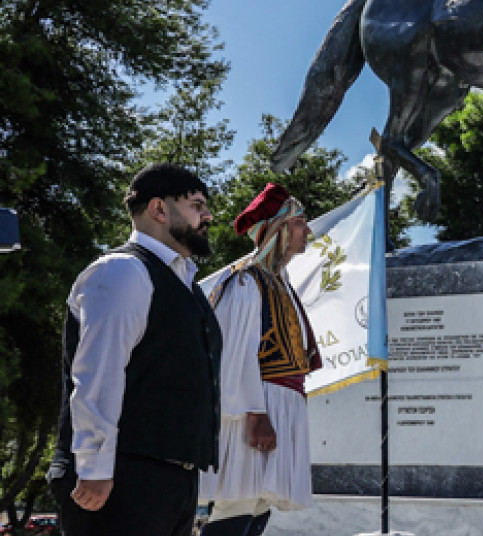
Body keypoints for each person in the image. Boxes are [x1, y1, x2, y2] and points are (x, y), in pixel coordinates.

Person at [47, 163, 222, 536]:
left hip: (168, 482)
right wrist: (94, 468)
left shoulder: (186, 284)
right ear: (159, 209)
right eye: (196, 204)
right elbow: (98, 373)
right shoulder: (123, 271)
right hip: (120, 480)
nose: (207, 216)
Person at [197, 183, 321, 535]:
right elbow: (235, 357)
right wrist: (256, 414)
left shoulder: (279, 283)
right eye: (299, 222)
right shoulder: (246, 284)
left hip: (278, 404)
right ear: (278, 230)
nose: (307, 230)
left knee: (259, 505)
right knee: (236, 503)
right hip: (254, 411)